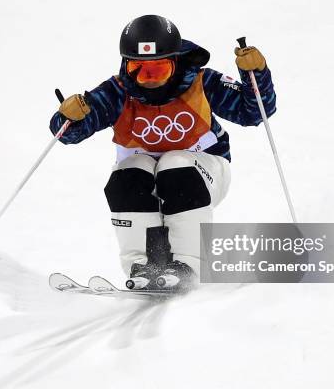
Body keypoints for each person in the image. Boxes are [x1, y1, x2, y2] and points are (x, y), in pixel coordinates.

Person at [50, 14, 276, 290]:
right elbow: (69, 134)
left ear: (176, 61)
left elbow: (252, 113)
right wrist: (68, 118)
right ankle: (146, 265)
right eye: (139, 70)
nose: (149, 80)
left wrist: (257, 74)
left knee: (174, 163)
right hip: (150, 183)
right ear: (126, 65)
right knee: (128, 172)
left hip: (205, 174)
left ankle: (188, 264)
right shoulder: (117, 92)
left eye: (159, 70)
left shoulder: (200, 82)